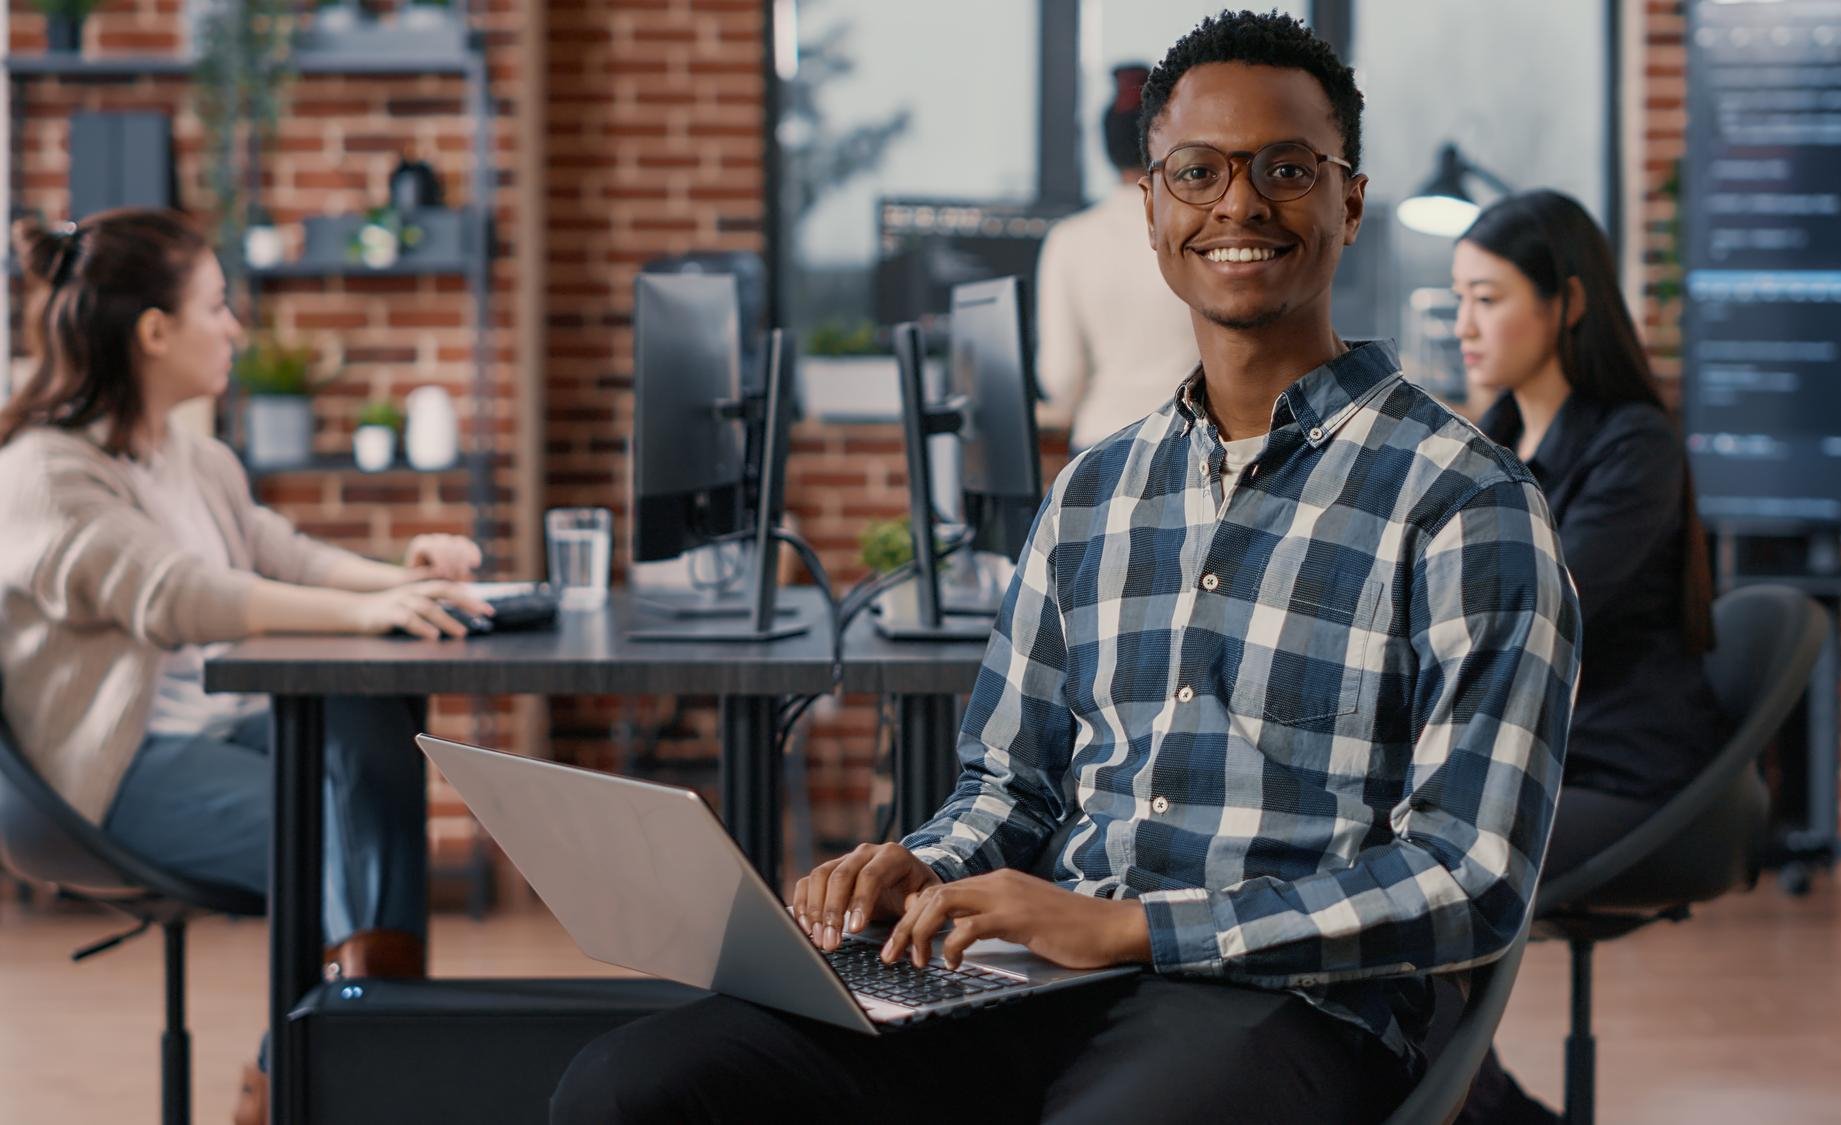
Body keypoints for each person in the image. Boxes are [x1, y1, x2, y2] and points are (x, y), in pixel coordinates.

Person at [552, 13, 1580, 1123]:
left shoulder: (1465, 501)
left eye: (1285, 169)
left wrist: (1134, 929)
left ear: (1348, 199)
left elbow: (1467, 879)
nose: (1238, 203)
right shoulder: (1095, 491)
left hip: (1287, 1004)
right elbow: (1012, 786)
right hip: (1030, 977)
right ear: (1152, 207)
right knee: (634, 1086)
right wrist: (924, 864)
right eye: (1197, 171)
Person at [0, 208, 493, 1124]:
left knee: (377, 716)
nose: (235, 328)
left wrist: (401, 582)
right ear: (154, 331)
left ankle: (333, 1068)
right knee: (336, 844)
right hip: (109, 772)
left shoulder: (193, 457)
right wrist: (362, 609)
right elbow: (180, 592)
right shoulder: (45, 473)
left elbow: (286, 553)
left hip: (213, 731)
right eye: (217, 306)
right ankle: (321, 1075)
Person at [1449, 190, 1725, 1124]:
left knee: (1422, 884)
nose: (1465, 326)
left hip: (1622, 768)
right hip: (1534, 762)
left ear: (1567, 303)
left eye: (1488, 298)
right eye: (1459, 301)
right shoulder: (1491, 444)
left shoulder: (1631, 443)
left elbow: (1535, 613)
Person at [1035, 63, 1201, 453]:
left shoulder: (1070, 241)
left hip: (1101, 445)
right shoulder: (1205, 230)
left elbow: (1061, 378)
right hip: (1192, 443)